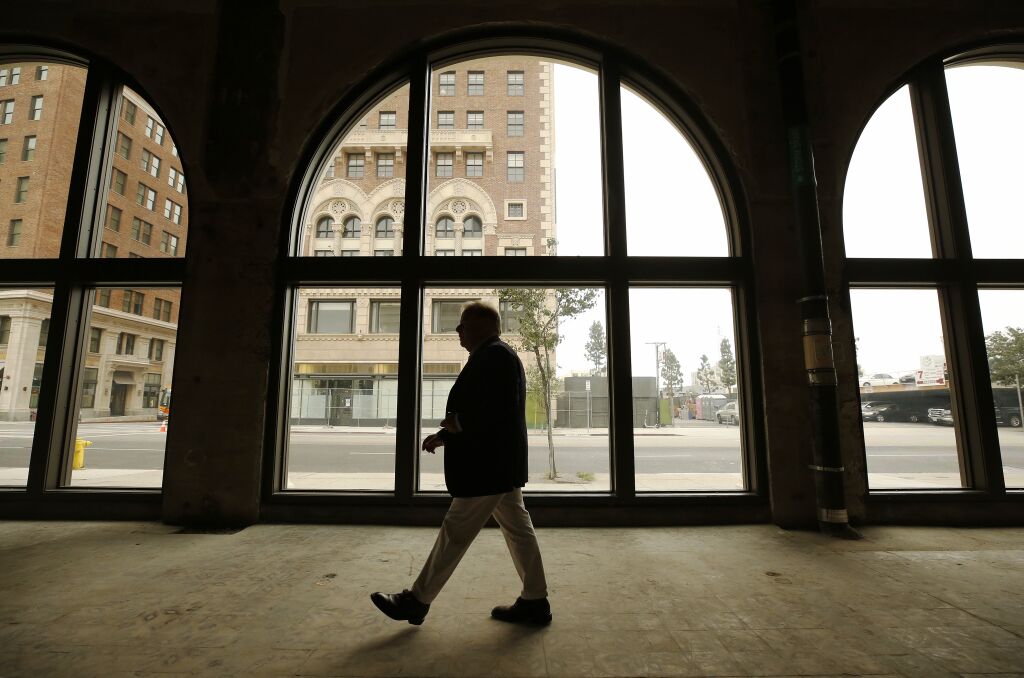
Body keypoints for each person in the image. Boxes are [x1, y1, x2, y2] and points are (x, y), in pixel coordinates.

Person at [371, 301, 551, 626]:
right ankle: (535, 601)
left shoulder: (496, 356)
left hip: (487, 465)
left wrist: (458, 426)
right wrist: (447, 434)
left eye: (463, 324)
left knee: (455, 532)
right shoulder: (493, 356)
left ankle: (416, 600)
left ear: (483, 326)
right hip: (497, 464)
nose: (458, 330)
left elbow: (497, 410)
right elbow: (483, 409)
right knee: (518, 530)